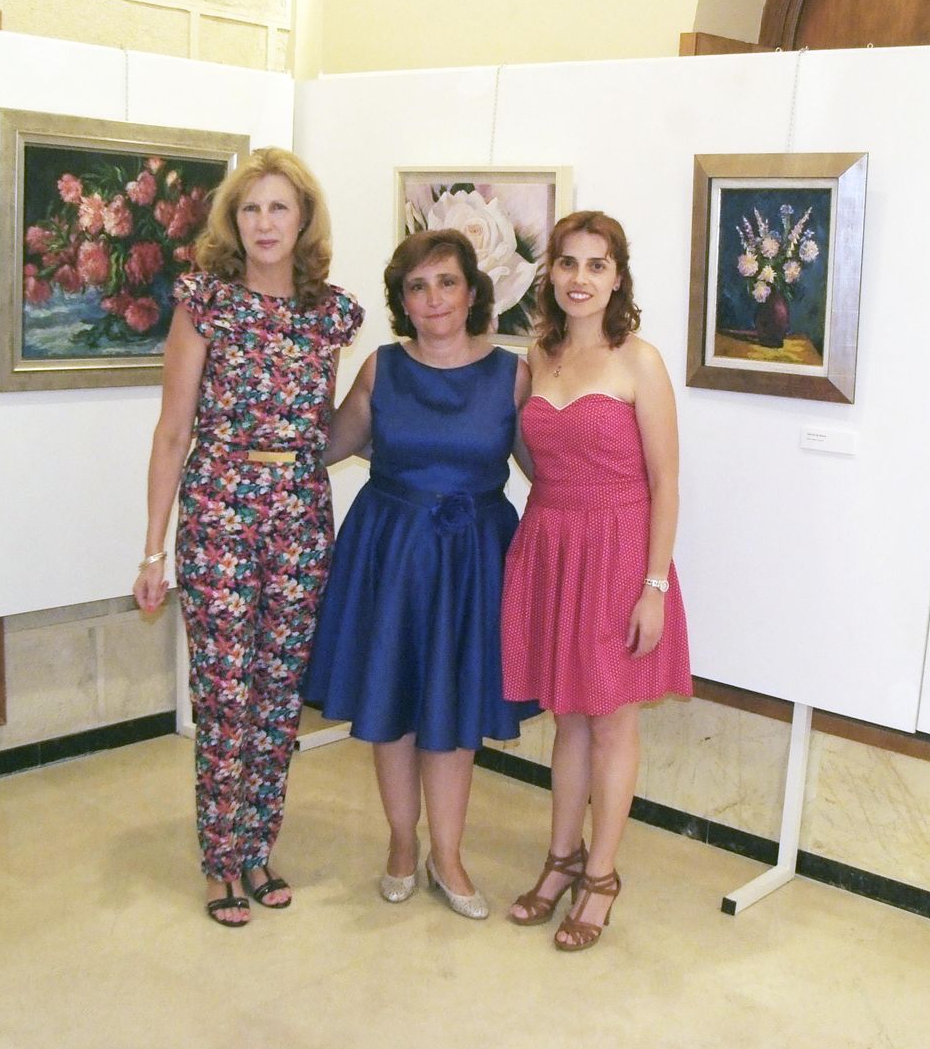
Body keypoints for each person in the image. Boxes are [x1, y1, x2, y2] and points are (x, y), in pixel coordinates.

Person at [132, 147, 364, 928]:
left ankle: (260, 845)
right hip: (219, 507)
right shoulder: (205, 302)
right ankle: (219, 859)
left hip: (300, 511)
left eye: (280, 208)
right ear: (234, 221)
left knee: (278, 698)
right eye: (251, 208)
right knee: (226, 693)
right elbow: (171, 432)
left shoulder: (329, 314)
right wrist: (153, 549)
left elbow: (324, 429)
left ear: (303, 220)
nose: (265, 223)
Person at [304, 228, 538, 920]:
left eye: (445, 282)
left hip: (472, 559)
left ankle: (451, 853)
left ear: (472, 292)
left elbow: (544, 474)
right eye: (416, 285)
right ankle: (402, 843)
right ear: (401, 299)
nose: (432, 297)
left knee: (456, 714)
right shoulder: (381, 367)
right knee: (394, 707)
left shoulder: (510, 373)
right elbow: (328, 445)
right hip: (391, 552)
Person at [500, 210, 692, 951]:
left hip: (618, 554)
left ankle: (601, 876)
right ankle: (560, 857)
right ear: (551, 273)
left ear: (618, 277)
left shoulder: (638, 359)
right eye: (568, 263)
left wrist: (655, 585)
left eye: (597, 264)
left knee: (612, 718)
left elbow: (667, 481)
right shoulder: (537, 356)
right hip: (552, 542)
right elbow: (529, 455)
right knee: (569, 715)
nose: (581, 278)